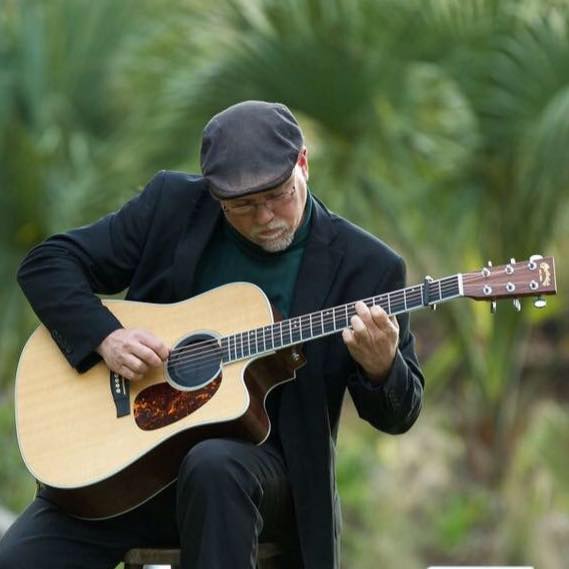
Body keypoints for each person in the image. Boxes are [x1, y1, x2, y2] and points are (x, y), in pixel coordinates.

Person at [0, 101, 424, 569]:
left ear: (303, 163)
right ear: (215, 195)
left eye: (278, 195)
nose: (265, 216)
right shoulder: (172, 205)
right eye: (243, 206)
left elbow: (398, 415)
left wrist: (382, 367)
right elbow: (47, 265)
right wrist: (106, 336)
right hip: (127, 471)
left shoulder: (368, 267)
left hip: (256, 480)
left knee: (213, 465)